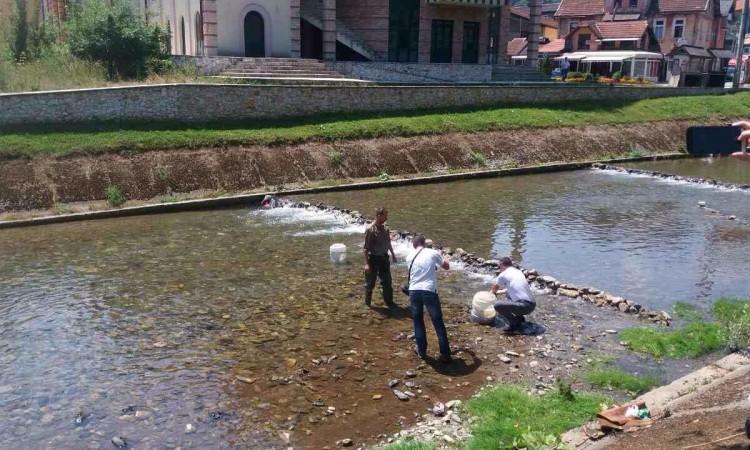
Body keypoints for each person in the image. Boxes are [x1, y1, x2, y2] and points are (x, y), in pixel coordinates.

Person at [407, 234, 451, 363]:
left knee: (418, 322)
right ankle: (445, 354)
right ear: (424, 243)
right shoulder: (432, 252)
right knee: (438, 322)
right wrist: (446, 258)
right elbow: (446, 267)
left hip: (413, 291)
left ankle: (421, 351)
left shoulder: (409, 256)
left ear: (414, 245)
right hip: (429, 290)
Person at [490, 257, 536, 334]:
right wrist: (499, 292)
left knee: (497, 305)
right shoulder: (518, 272)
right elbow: (512, 289)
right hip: (532, 305)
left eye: (499, 266)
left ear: (502, 265)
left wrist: (489, 296)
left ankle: (514, 324)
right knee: (508, 295)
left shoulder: (503, 274)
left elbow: (493, 290)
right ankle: (519, 318)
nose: (499, 268)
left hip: (524, 306)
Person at [363, 207, 398, 307]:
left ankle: (389, 303)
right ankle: (368, 305)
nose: (387, 218)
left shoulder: (385, 228)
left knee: (387, 282)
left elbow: (388, 243)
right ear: (379, 216)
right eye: (385, 216)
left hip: (384, 259)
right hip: (373, 259)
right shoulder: (371, 230)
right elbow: (365, 249)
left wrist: (393, 255)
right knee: (370, 284)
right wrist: (366, 264)